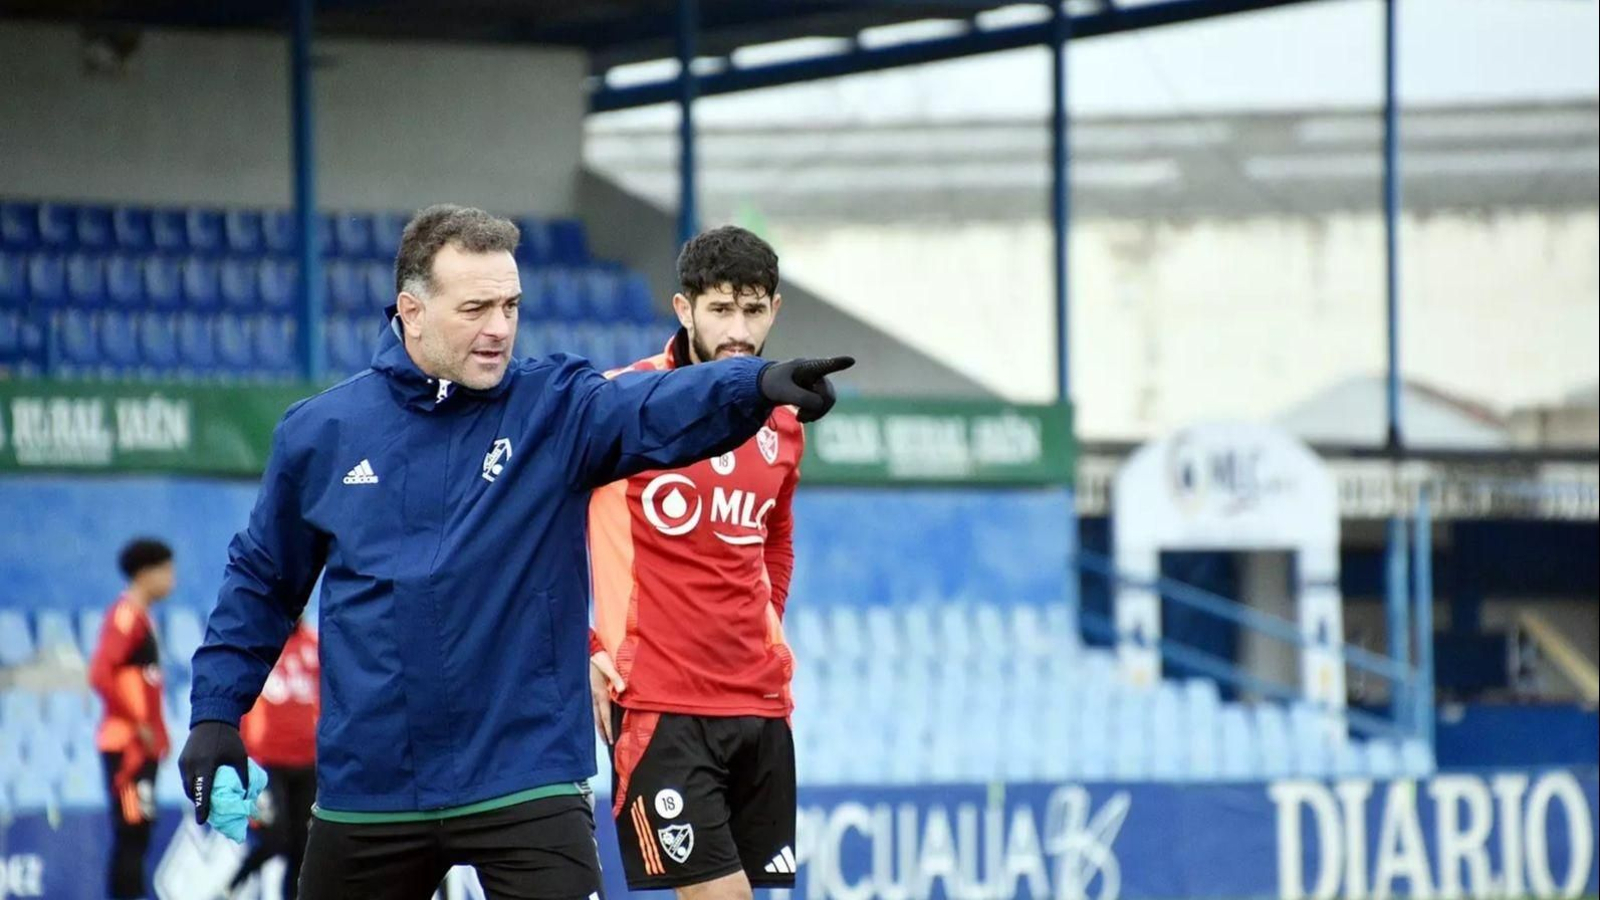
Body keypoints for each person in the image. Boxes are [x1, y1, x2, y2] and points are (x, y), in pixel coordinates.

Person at [177, 204, 853, 900]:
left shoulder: (555, 408)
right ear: (411, 311)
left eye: (511, 305)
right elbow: (262, 583)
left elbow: (653, 408)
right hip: (372, 788)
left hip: (526, 781)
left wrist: (755, 384)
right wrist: (216, 716)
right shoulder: (322, 433)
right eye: (475, 308)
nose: (499, 328)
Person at [587, 226, 810, 899]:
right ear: (684, 310)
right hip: (663, 705)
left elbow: (776, 538)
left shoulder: (784, 420)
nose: (738, 330)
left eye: (752, 310)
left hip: (759, 703)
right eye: (720, 310)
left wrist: (763, 629)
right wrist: (593, 644)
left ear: (774, 309)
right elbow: (543, 535)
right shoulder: (617, 405)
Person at [89, 538, 176, 900]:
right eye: (167, 571)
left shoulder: (143, 619)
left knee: (139, 833)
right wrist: (136, 722)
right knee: (131, 831)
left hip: (143, 746)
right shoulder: (125, 617)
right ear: (145, 573)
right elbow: (100, 672)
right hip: (127, 748)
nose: (172, 580)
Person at [227, 618, 319, 899]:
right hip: (266, 764)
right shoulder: (257, 644)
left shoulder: (315, 645)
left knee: (302, 848)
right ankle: (228, 888)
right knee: (275, 839)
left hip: (308, 763)